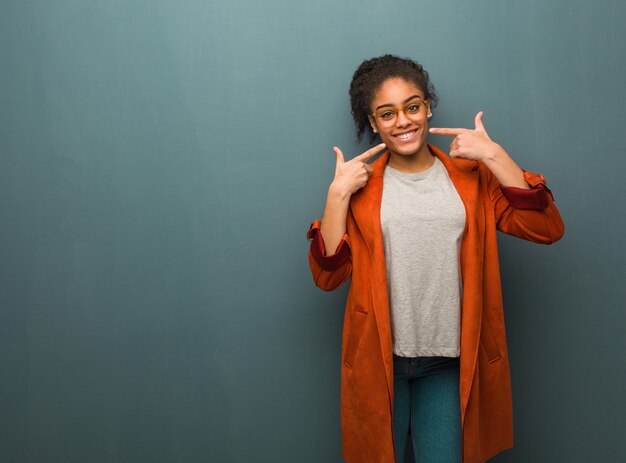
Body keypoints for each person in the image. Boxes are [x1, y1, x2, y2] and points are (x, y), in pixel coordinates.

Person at [306, 54, 564, 463]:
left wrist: (494, 155)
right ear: (373, 123)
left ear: (428, 107)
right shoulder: (360, 189)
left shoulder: (469, 178)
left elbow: (546, 228)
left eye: (412, 106)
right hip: (380, 362)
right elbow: (327, 278)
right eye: (386, 114)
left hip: (447, 364)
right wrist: (336, 196)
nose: (403, 121)